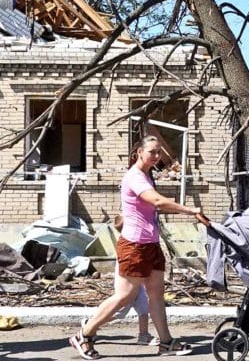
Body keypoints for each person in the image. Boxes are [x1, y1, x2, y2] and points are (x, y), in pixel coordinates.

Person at [69, 135, 210, 359]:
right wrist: (190, 210)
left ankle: (166, 342)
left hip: (151, 244)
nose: (156, 156)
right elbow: (156, 201)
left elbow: (151, 207)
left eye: (159, 152)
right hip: (134, 245)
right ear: (139, 153)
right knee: (124, 296)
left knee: (156, 295)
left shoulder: (147, 176)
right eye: (152, 152)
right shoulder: (134, 177)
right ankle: (84, 335)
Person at [109, 215, 158, 346]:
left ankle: (144, 336)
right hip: (128, 284)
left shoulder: (136, 240)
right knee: (119, 313)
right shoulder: (128, 243)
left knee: (144, 308)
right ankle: (91, 324)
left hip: (137, 282)